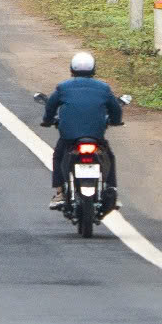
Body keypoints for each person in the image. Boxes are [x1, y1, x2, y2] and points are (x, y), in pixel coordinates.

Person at [39, 50, 124, 208]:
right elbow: (115, 109)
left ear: (72, 69)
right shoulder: (103, 88)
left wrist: (47, 121)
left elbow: (50, 106)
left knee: (58, 156)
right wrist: (116, 121)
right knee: (109, 157)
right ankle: (111, 189)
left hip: (69, 137)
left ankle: (60, 193)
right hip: (95, 136)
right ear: (93, 69)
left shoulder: (63, 87)